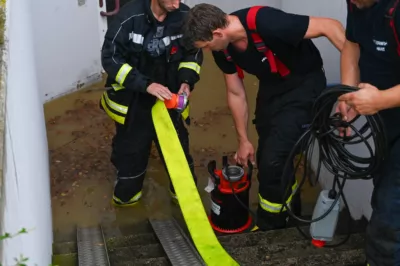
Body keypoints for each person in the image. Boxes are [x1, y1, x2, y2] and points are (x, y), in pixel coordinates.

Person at [182, 3, 345, 231]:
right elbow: (236, 92)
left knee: (272, 160)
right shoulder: (224, 49)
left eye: (208, 46)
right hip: (272, 87)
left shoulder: (267, 22)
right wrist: (243, 140)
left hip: (304, 85)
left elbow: (331, 26)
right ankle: (290, 198)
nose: (209, 51)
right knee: (266, 143)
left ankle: (272, 226)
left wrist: (353, 83)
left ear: (218, 33)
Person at [99, 0, 203, 207]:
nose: (177, 2)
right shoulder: (128, 18)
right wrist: (145, 85)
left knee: (180, 158)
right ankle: (127, 208)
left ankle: (185, 202)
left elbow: (194, 52)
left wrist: (186, 80)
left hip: (170, 100)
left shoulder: (185, 16)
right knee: (131, 161)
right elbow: (111, 59)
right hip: (134, 102)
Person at [337, 0, 400, 265]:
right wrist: (348, 94)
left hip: (387, 105)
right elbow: (352, 44)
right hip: (388, 122)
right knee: (382, 189)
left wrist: (381, 99)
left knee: (390, 209)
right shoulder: (357, 4)